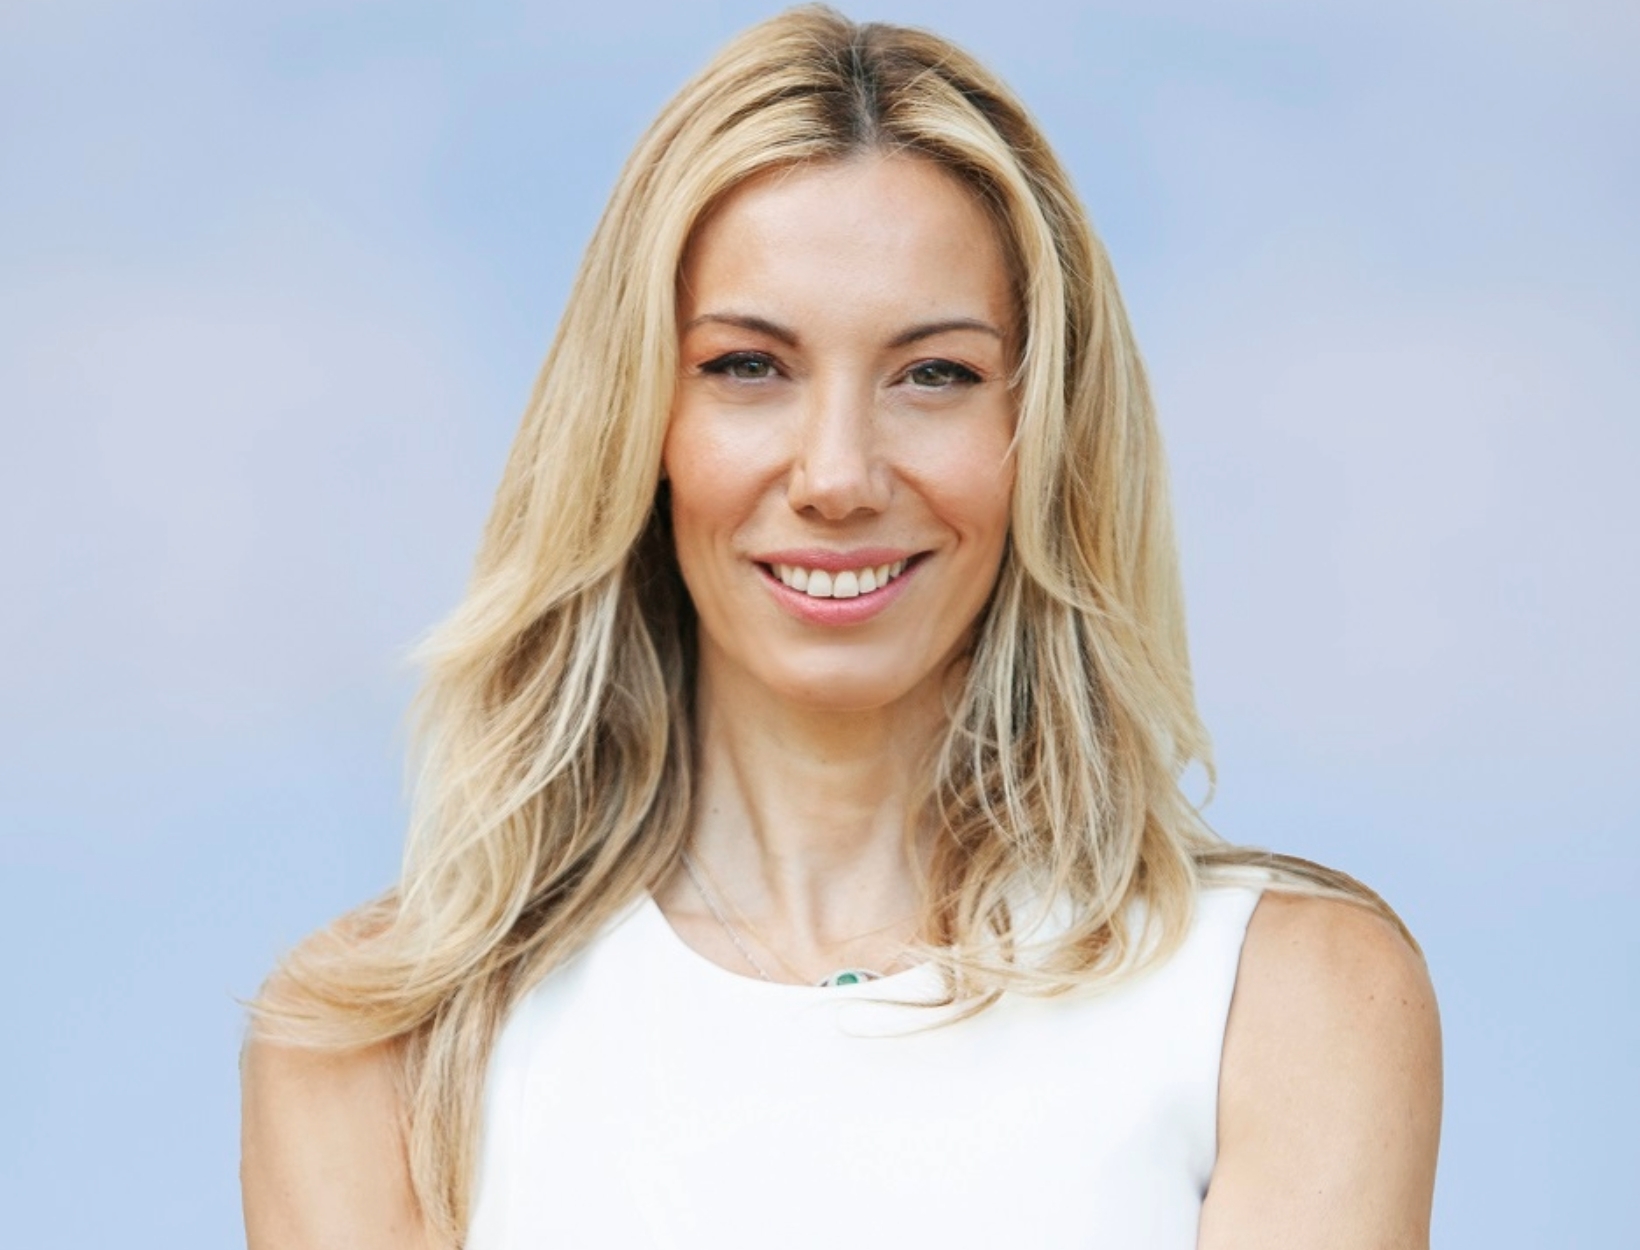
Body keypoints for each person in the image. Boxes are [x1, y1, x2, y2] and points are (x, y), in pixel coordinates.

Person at [241, 7, 1442, 1248]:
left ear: (1044, 436)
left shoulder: (1281, 999)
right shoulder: (376, 1038)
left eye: (934, 374)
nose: (836, 476)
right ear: (636, 424)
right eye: (747, 365)